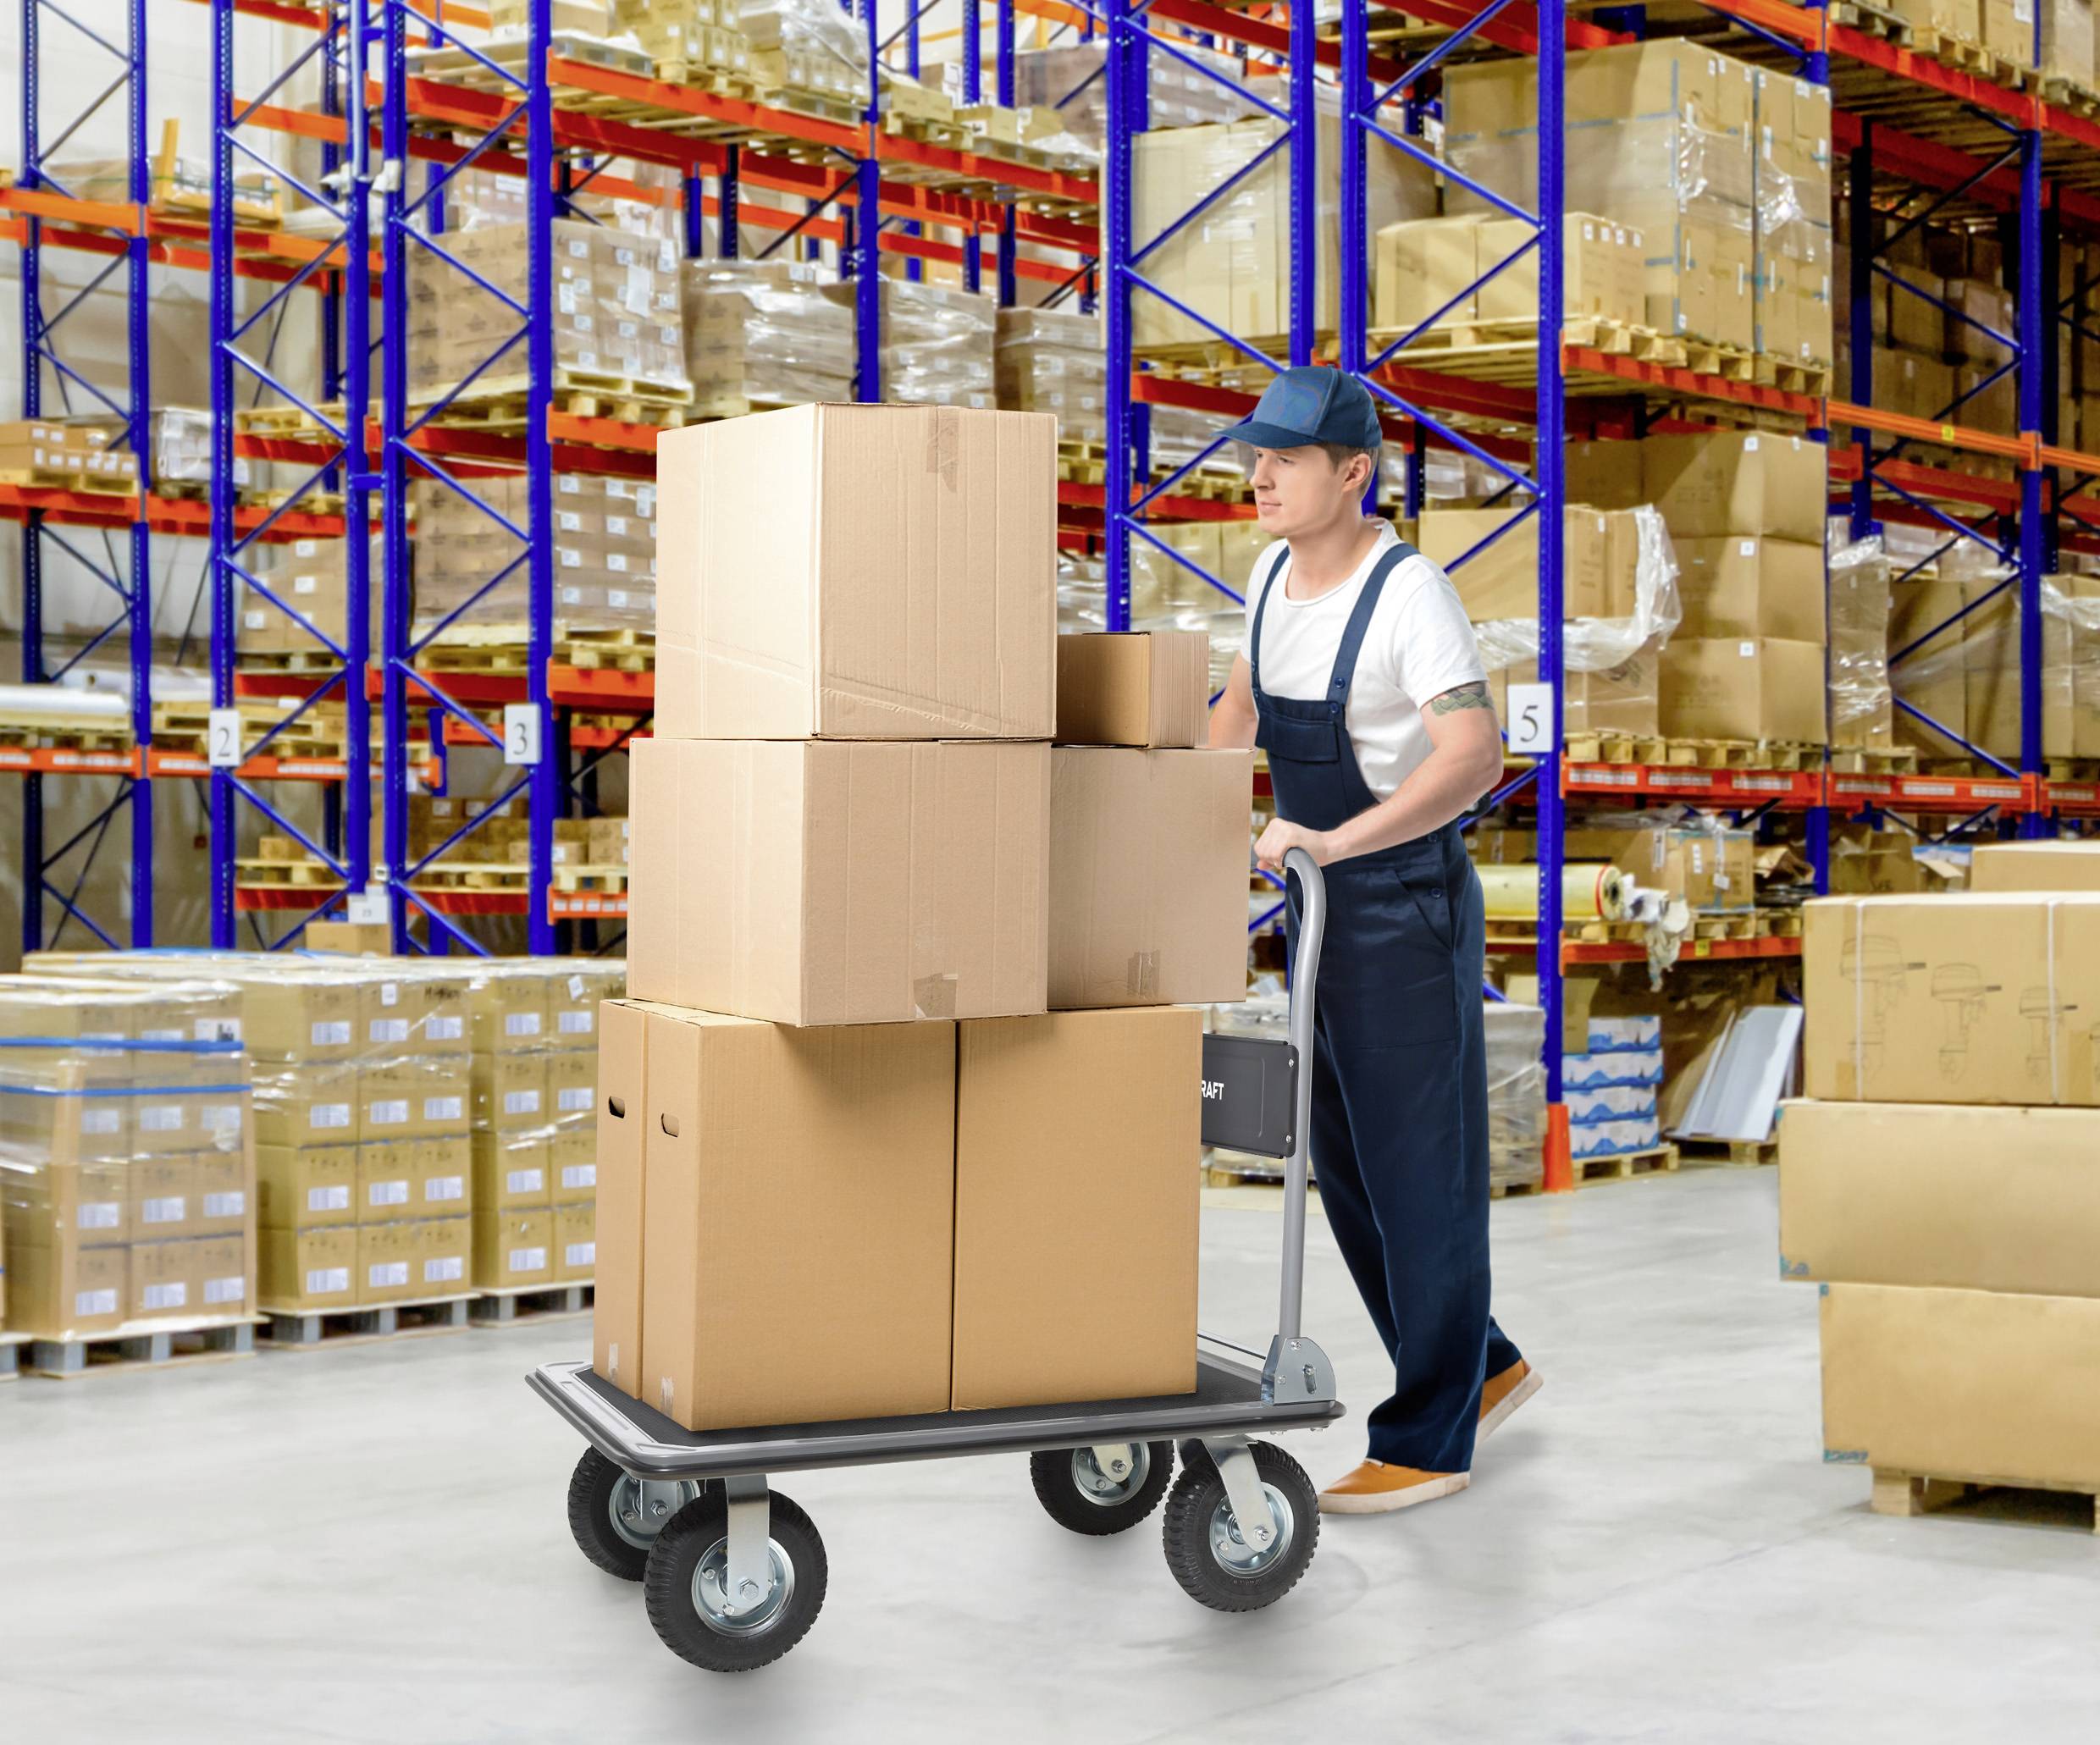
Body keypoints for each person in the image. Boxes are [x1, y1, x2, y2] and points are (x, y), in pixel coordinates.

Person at [1207, 366, 1539, 1514]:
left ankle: (1429, 1432)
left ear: (1352, 472)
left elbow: (1471, 755)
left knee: (1420, 1172)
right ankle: (1484, 1361)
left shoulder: (1408, 596)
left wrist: (1342, 841)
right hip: (1319, 901)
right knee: (1342, 1163)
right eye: (1257, 453)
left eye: (1286, 458)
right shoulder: (1266, 576)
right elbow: (1239, 711)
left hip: (1399, 901)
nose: (1259, 473)